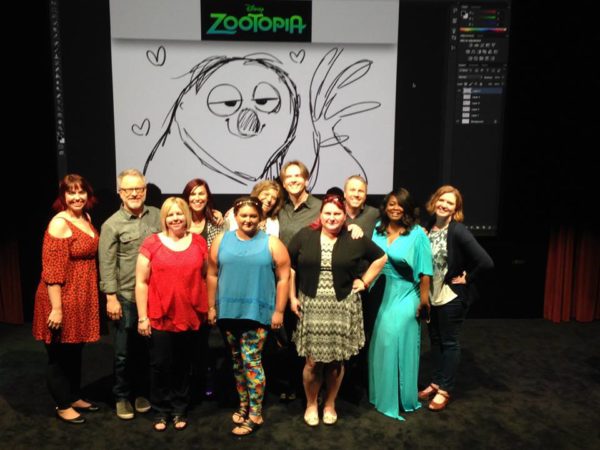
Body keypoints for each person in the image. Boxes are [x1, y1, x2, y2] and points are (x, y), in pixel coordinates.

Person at [288, 195, 387, 426]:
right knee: (312, 362)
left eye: (337, 214)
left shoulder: (354, 237)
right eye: (328, 213)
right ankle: (311, 403)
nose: (332, 218)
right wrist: (292, 297)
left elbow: (381, 258)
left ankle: (330, 403)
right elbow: (289, 267)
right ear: (320, 215)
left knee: (336, 362)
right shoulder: (305, 235)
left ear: (344, 217)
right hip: (311, 306)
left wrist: (365, 281)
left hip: (342, 306)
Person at [207, 196, 290, 436]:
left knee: (251, 361)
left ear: (260, 218)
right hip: (228, 313)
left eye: (253, 216)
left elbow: (284, 278)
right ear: (235, 216)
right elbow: (211, 274)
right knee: (237, 362)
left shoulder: (272, 243)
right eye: (243, 215)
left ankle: (255, 413)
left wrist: (279, 311)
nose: (248, 220)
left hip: (258, 313)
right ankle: (243, 405)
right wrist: (211, 306)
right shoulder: (222, 240)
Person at [135, 197, 209, 431]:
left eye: (179, 214)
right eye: (170, 214)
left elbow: (205, 276)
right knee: (160, 365)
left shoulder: (198, 242)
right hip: (160, 316)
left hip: (190, 315)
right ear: (164, 218)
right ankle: (160, 410)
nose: (175, 218)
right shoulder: (152, 243)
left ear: (186, 216)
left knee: (183, 365)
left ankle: (179, 409)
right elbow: (141, 282)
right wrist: (142, 317)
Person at [32, 174, 101, 424]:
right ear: (63, 196)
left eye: (81, 192)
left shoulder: (86, 218)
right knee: (59, 355)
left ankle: (73, 396)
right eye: (71, 192)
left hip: (81, 295)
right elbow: (52, 272)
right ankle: (62, 404)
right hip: (61, 297)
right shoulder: (59, 224)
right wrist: (57, 308)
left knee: (74, 351)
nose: (77, 197)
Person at [418, 185, 493, 411]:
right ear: (435, 201)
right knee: (436, 341)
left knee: (449, 342)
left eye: (450, 203)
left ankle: (445, 389)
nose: (444, 205)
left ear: (455, 209)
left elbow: (486, 262)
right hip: (431, 296)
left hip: (450, 296)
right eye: (442, 200)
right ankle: (436, 381)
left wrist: (468, 277)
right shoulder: (428, 226)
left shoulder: (458, 231)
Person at [99, 168, 160, 420]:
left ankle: (142, 393)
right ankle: (121, 396)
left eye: (138, 188)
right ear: (120, 192)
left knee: (147, 350)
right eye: (129, 189)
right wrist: (110, 297)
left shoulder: (158, 216)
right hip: (125, 297)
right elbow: (106, 264)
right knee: (123, 353)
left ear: (144, 190)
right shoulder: (111, 225)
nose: (134, 193)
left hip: (154, 296)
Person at [368, 188, 433, 421]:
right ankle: (382, 394)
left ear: (407, 208)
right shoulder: (378, 229)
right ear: (385, 206)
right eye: (392, 204)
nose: (396, 208)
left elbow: (425, 271)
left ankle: (402, 396)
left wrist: (424, 302)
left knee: (393, 337)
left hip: (407, 292)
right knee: (380, 344)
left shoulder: (417, 234)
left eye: (401, 204)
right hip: (380, 291)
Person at [182, 178, 225, 248]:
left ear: (207, 197)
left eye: (201, 194)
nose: (197, 198)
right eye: (193, 194)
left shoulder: (215, 222)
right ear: (187, 198)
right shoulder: (179, 221)